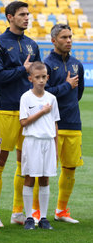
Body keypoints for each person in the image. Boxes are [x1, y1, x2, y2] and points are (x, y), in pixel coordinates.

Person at [0, 1, 41, 227]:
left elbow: (37, 75)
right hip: (8, 109)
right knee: (0, 161)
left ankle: (18, 212)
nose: (26, 18)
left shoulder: (32, 44)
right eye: (22, 15)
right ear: (10, 17)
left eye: (28, 14)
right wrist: (23, 69)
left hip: (29, 111)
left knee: (25, 163)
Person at [44, 24, 84, 224]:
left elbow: (78, 94)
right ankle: (36, 212)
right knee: (44, 170)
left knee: (70, 168)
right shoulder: (47, 65)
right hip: (52, 124)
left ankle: (61, 210)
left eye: (70, 36)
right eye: (64, 37)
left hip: (73, 122)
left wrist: (68, 91)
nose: (69, 40)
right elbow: (45, 95)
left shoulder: (78, 64)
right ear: (53, 40)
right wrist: (66, 86)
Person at [19, 61, 60, 230]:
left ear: (48, 77)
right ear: (31, 79)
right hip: (32, 141)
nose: (41, 80)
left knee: (45, 179)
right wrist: (41, 111)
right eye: (37, 77)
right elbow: (23, 122)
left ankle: (43, 217)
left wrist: (56, 148)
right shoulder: (26, 97)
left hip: (48, 142)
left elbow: (55, 124)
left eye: (44, 77)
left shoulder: (52, 98)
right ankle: (29, 217)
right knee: (30, 178)